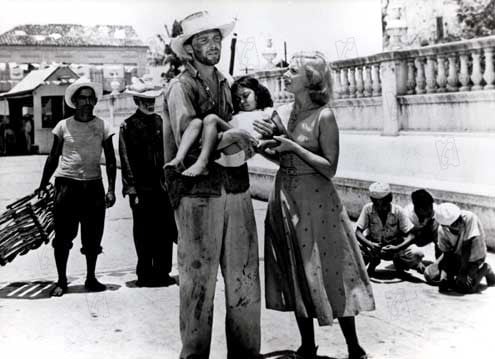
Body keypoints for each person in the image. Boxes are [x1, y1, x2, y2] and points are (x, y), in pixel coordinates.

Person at [257, 51, 374, 359]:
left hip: (319, 203)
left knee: (332, 267)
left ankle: (353, 346)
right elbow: (283, 159)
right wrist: (261, 150)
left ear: (310, 80)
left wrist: (293, 145)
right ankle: (307, 345)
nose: (285, 73)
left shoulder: (324, 116)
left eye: (292, 70)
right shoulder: (283, 112)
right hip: (285, 197)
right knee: (296, 267)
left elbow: (329, 166)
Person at [163, 11, 260, 359]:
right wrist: (231, 134)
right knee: (197, 282)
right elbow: (184, 134)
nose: (212, 46)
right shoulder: (179, 87)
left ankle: (246, 353)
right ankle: (194, 355)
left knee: (245, 277)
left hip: (236, 187)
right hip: (196, 194)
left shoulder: (226, 82)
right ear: (188, 49)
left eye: (216, 39)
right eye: (203, 40)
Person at [37, 77, 116, 297]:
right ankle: (61, 280)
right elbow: (53, 157)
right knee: (63, 236)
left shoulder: (102, 125)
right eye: (83, 98)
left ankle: (91, 277)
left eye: (91, 98)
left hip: (93, 186)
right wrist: (43, 184)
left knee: (93, 236)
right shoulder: (63, 125)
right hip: (66, 186)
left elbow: (110, 159)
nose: (88, 102)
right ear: (74, 101)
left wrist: (111, 189)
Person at [118, 78, 177, 287]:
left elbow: (171, 153)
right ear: (136, 100)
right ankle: (144, 273)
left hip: (163, 187)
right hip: (142, 189)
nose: (149, 104)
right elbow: (125, 160)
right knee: (143, 232)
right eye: (144, 100)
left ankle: (163, 271)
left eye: (152, 100)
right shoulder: (128, 126)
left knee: (165, 230)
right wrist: (131, 190)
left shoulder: (162, 122)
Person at [355, 182, 426, 276]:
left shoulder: (398, 211)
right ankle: (373, 263)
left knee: (416, 253)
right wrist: (370, 245)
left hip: (395, 248)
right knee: (354, 251)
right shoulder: (367, 209)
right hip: (373, 248)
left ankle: (400, 263)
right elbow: (358, 232)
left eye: (383, 203)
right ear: (372, 200)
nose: (380, 207)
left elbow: (412, 235)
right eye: (376, 204)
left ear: (390, 199)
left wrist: (397, 248)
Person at [434, 203, 495, 293]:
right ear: (445, 226)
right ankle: (459, 275)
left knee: (466, 288)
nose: (459, 223)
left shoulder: (470, 218)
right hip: (457, 258)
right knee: (431, 276)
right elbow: (447, 254)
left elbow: (467, 247)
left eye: (458, 218)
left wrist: (463, 273)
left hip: (474, 258)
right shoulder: (442, 231)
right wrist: (444, 276)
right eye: (454, 223)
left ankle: (485, 269)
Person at [403, 189, 442, 282]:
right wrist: (417, 262)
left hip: (428, 235)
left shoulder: (437, 211)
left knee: (439, 226)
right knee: (407, 255)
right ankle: (413, 261)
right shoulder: (407, 214)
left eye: (431, 206)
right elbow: (403, 239)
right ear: (418, 209)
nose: (431, 210)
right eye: (427, 209)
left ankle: (440, 264)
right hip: (413, 238)